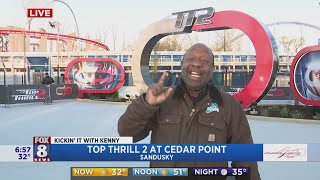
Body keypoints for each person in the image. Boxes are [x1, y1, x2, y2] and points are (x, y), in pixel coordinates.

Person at [118, 43, 261, 180]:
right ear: (182, 64)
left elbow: (245, 159)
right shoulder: (161, 100)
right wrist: (147, 104)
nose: (197, 64)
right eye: (191, 58)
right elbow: (127, 134)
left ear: (212, 68)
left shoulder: (229, 105)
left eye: (204, 60)